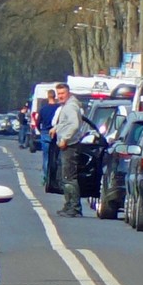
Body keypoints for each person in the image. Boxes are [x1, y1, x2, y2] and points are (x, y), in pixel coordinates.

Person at [51, 82, 86, 217]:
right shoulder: (67, 106)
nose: (60, 96)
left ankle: (75, 207)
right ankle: (68, 204)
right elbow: (66, 123)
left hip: (70, 146)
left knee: (69, 177)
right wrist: (56, 129)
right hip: (67, 144)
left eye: (62, 93)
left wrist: (65, 138)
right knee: (65, 177)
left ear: (68, 93)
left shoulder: (71, 107)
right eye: (58, 94)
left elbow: (74, 125)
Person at [37, 89, 59, 185]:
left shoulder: (43, 109)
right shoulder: (59, 108)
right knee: (56, 157)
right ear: (55, 96)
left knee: (46, 157)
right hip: (56, 133)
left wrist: (40, 130)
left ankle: (46, 178)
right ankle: (55, 178)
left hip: (45, 133)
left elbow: (38, 122)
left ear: (48, 97)